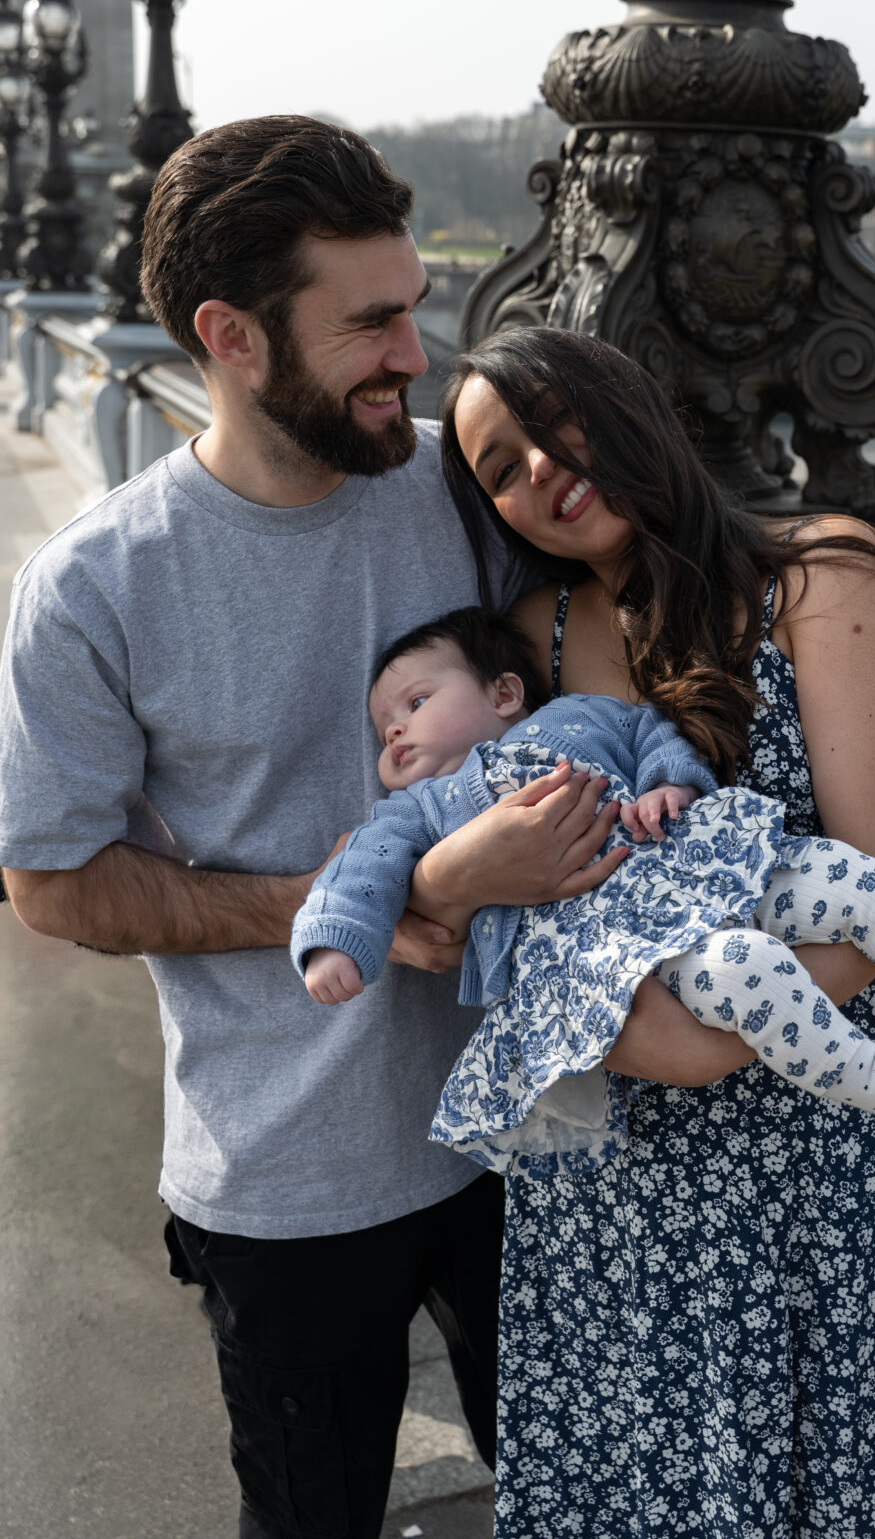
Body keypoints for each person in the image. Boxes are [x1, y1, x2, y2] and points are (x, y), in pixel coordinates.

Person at [0, 117, 627, 1539]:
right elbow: (50, 882)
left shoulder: (465, 493)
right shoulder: (93, 591)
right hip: (284, 1180)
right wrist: (336, 903)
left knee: (590, 1504)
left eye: (415, 310)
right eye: (376, 323)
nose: (417, 356)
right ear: (232, 335)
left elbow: (620, 652)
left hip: (527, 1128)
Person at [433, 327, 875, 1539]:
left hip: (818, 1164)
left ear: (625, 402)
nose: (538, 467)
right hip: (612, 1191)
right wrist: (611, 1024)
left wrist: (691, 1040)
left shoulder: (822, 581)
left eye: (553, 421)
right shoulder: (527, 635)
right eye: (496, 467)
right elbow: (506, 868)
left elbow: (873, 906)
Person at [291, 607, 875, 1161]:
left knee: (841, 876)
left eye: (415, 703)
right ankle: (860, 1070)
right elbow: (360, 867)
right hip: (622, 949)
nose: (393, 730)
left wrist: (667, 785)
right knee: (747, 969)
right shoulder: (420, 810)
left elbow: (653, 730)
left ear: (505, 693)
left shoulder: (576, 718)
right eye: (383, 726)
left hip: (698, 862)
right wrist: (333, 946)